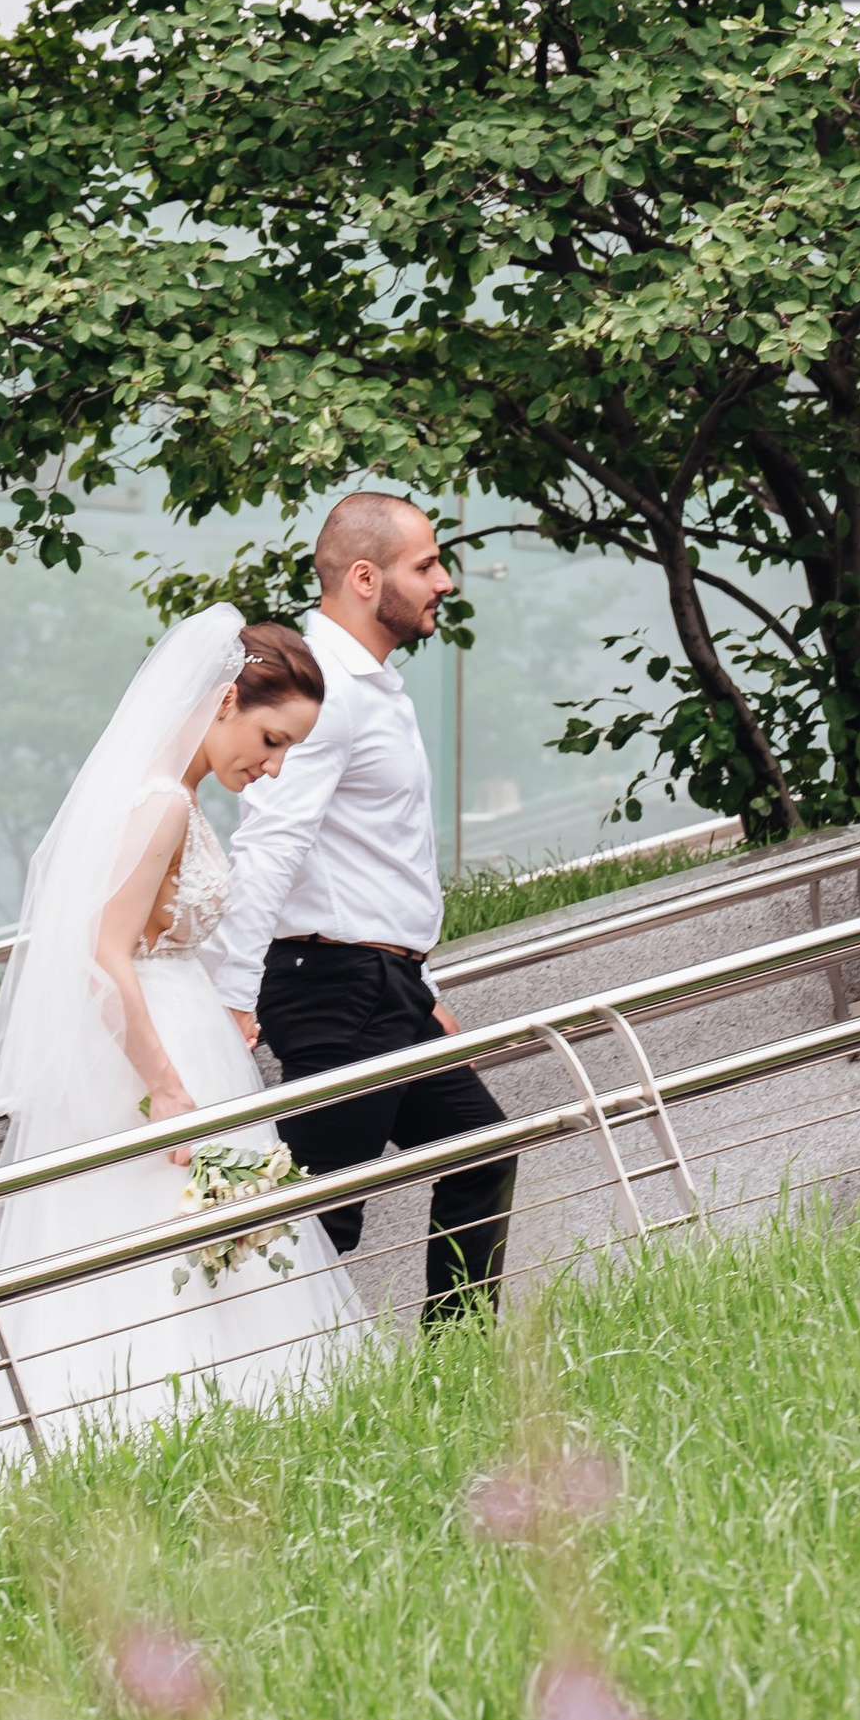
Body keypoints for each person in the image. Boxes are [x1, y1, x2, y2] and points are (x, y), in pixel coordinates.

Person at [0, 607, 369, 1477]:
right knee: (163, 1245)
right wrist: (168, 1090)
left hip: (188, 1035)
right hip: (158, 1058)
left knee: (214, 1249)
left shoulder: (173, 799)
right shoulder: (162, 804)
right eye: (271, 737)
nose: (274, 765)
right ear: (224, 702)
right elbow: (103, 958)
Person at [208, 495, 517, 1324]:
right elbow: (271, 842)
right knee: (320, 1219)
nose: (443, 581)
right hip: (330, 982)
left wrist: (423, 979)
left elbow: (380, 855)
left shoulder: (372, 685)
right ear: (364, 576)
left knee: (480, 1150)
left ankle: (456, 1365)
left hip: (384, 981)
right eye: (426, 565)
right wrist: (235, 993)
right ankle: (266, 1382)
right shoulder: (329, 689)